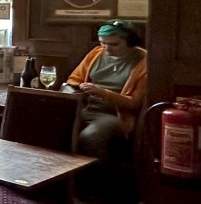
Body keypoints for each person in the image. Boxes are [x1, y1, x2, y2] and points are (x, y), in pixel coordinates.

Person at [63, 19, 147, 166]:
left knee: (90, 136)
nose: (107, 49)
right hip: (84, 109)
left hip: (115, 115)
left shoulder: (144, 62)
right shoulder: (96, 53)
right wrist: (70, 90)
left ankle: (101, 181)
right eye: (103, 43)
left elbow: (134, 103)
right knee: (51, 126)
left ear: (130, 41)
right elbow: (73, 80)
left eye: (114, 44)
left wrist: (103, 93)